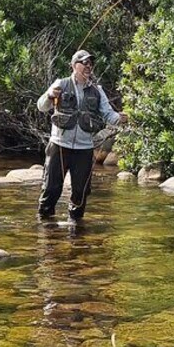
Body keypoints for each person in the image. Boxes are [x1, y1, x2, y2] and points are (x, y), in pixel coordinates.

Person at [36, 49, 127, 222]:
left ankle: (75, 230)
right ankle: (45, 229)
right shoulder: (60, 84)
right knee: (51, 189)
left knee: (81, 192)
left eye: (90, 63)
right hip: (59, 146)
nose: (88, 66)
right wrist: (49, 95)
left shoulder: (97, 90)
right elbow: (41, 106)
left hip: (84, 149)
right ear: (73, 65)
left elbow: (108, 114)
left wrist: (120, 118)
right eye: (84, 63)